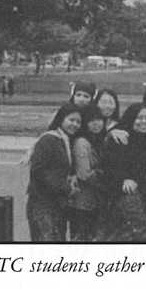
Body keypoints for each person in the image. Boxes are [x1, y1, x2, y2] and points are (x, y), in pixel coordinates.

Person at [26, 103, 81, 241]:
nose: (75, 124)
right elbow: (39, 172)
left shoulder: (65, 140)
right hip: (43, 204)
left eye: (78, 122)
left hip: (57, 203)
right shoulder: (49, 139)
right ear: (61, 119)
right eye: (71, 120)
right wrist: (66, 188)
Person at [100, 103, 146, 199]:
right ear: (131, 118)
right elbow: (109, 166)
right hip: (122, 194)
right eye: (139, 118)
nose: (144, 121)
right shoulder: (120, 137)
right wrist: (124, 179)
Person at [69, 104, 107, 242]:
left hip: (94, 201)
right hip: (83, 203)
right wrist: (107, 179)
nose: (96, 123)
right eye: (91, 120)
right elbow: (84, 174)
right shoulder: (82, 142)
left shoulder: (97, 140)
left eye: (99, 119)